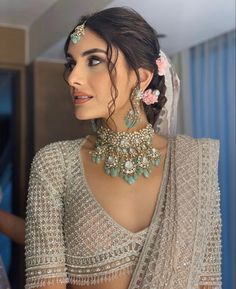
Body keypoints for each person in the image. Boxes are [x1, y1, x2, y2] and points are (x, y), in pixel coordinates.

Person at [24, 7, 222, 289]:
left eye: (94, 60)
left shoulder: (195, 163)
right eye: (71, 63)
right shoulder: (56, 164)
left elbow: (207, 283)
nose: (72, 78)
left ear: (141, 78)